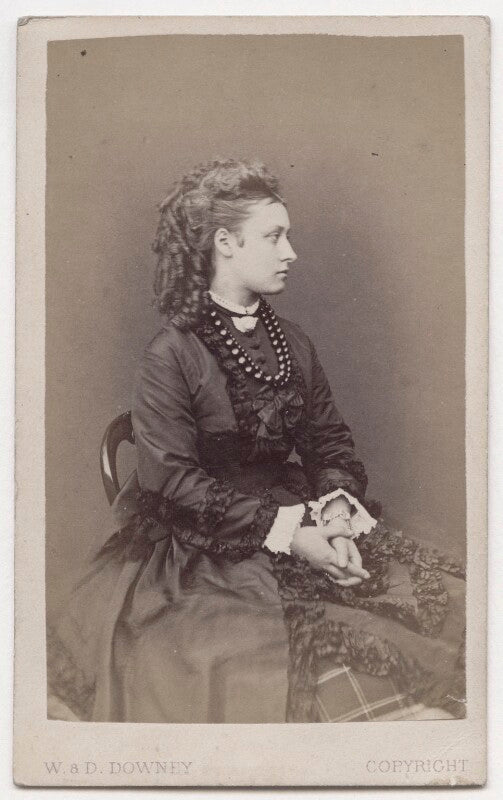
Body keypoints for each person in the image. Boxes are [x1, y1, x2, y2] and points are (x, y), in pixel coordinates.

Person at [48, 158, 466, 724]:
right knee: (287, 664)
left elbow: (329, 440)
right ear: (225, 243)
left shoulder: (292, 341)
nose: (290, 252)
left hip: (304, 518)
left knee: (453, 601)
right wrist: (292, 536)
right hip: (204, 550)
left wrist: (337, 514)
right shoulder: (171, 354)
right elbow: (172, 481)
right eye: (274, 236)